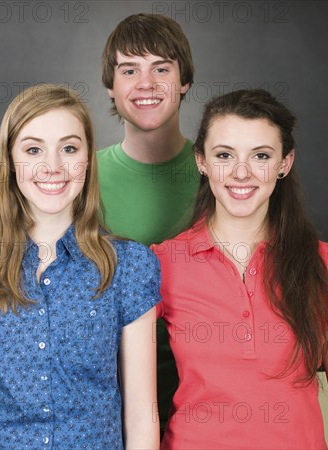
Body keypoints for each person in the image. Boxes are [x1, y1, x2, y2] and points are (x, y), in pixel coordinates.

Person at [0, 84, 161, 449]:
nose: (53, 167)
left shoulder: (129, 267)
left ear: (88, 159)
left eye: (69, 148)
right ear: (10, 160)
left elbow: (141, 413)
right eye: (34, 149)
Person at [152, 89, 328, 449]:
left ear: (284, 164)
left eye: (261, 155)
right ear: (202, 161)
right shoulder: (163, 263)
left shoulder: (325, 264)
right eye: (224, 155)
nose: (241, 173)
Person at [98, 13, 198, 431]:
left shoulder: (222, 173)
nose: (146, 83)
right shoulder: (78, 176)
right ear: (111, 86)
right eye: (129, 70)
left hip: (198, 380)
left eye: (161, 68)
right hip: (108, 381)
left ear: (184, 82)